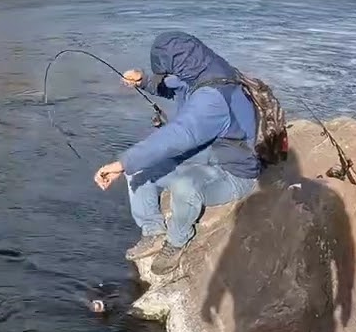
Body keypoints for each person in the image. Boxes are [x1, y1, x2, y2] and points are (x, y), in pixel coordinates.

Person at [93, 31, 262, 275]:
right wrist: (142, 81)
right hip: (207, 153)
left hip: (234, 172)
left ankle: (177, 240)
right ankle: (153, 231)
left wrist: (121, 163)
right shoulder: (203, 70)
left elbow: (177, 136)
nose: (169, 75)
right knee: (139, 169)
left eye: (169, 69)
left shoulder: (212, 98)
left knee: (183, 185)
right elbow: (172, 87)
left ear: (181, 62)